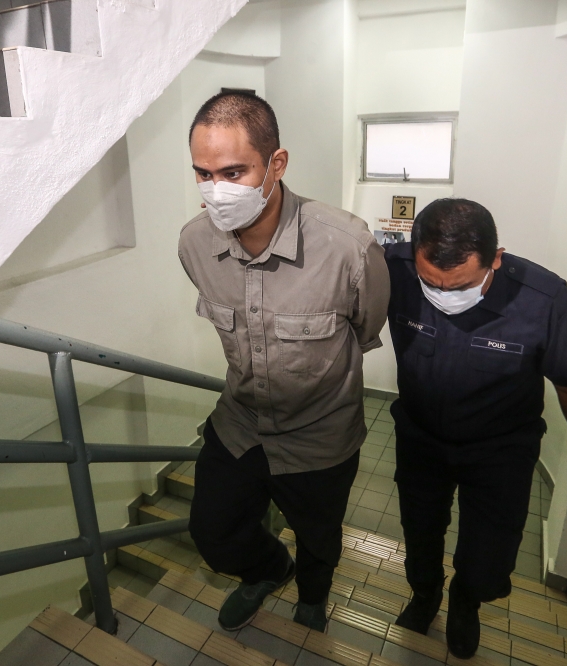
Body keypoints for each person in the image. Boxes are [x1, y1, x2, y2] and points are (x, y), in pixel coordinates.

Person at [179, 91, 389, 633]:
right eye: (203, 174)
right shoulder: (195, 244)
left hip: (320, 437)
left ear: (277, 164)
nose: (215, 191)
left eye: (232, 171)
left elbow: (367, 328)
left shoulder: (348, 246)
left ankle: (313, 596)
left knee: (320, 538)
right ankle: (269, 570)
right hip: (241, 424)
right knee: (214, 533)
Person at [384, 198, 567, 659]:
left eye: (462, 285)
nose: (445, 297)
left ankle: (466, 603)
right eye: (431, 284)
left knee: (490, 556)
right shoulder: (392, 267)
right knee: (420, 529)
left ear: (497, 259)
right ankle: (425, 593)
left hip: (500, 449)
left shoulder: (544, 300)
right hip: (421, 438)